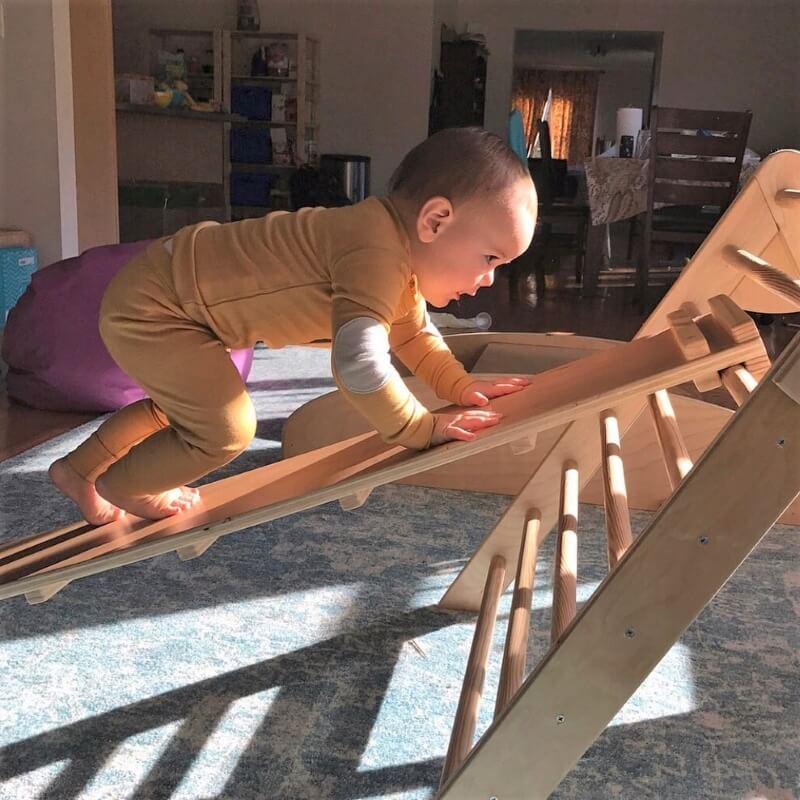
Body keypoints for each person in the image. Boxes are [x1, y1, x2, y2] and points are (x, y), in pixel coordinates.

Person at [49, 127, 538, 525]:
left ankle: (78, 470)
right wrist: (419, 428)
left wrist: (461, 384)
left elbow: (412, 335)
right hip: (157, 308)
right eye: (490, 257)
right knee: (225, 429)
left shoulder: (392, 258)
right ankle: (125, 483)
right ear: (434, 222)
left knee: (182, 411)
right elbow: (360, 363)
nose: (488, 279)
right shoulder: (373, 254)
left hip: (168, 294)